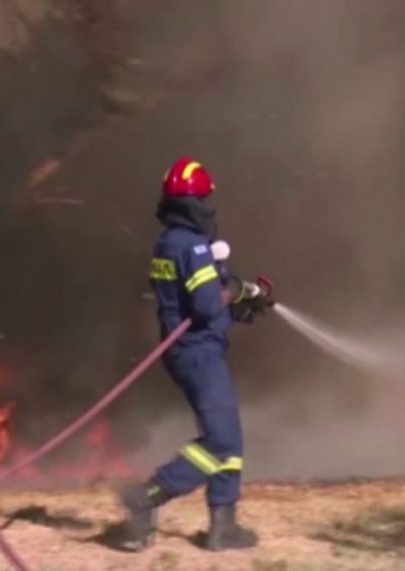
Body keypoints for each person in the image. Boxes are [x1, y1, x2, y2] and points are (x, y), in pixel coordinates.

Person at [118, 156, 273, 552]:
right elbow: (205, 305)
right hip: (197, 355)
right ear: (197, 203)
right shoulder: (193, 246)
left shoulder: (171, 242)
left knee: (230, 438)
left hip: (195, 350)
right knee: (220, 442)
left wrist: (241, 303)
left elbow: (198, 301)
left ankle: (224, 526)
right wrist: (237, 290)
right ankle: (147, 495)